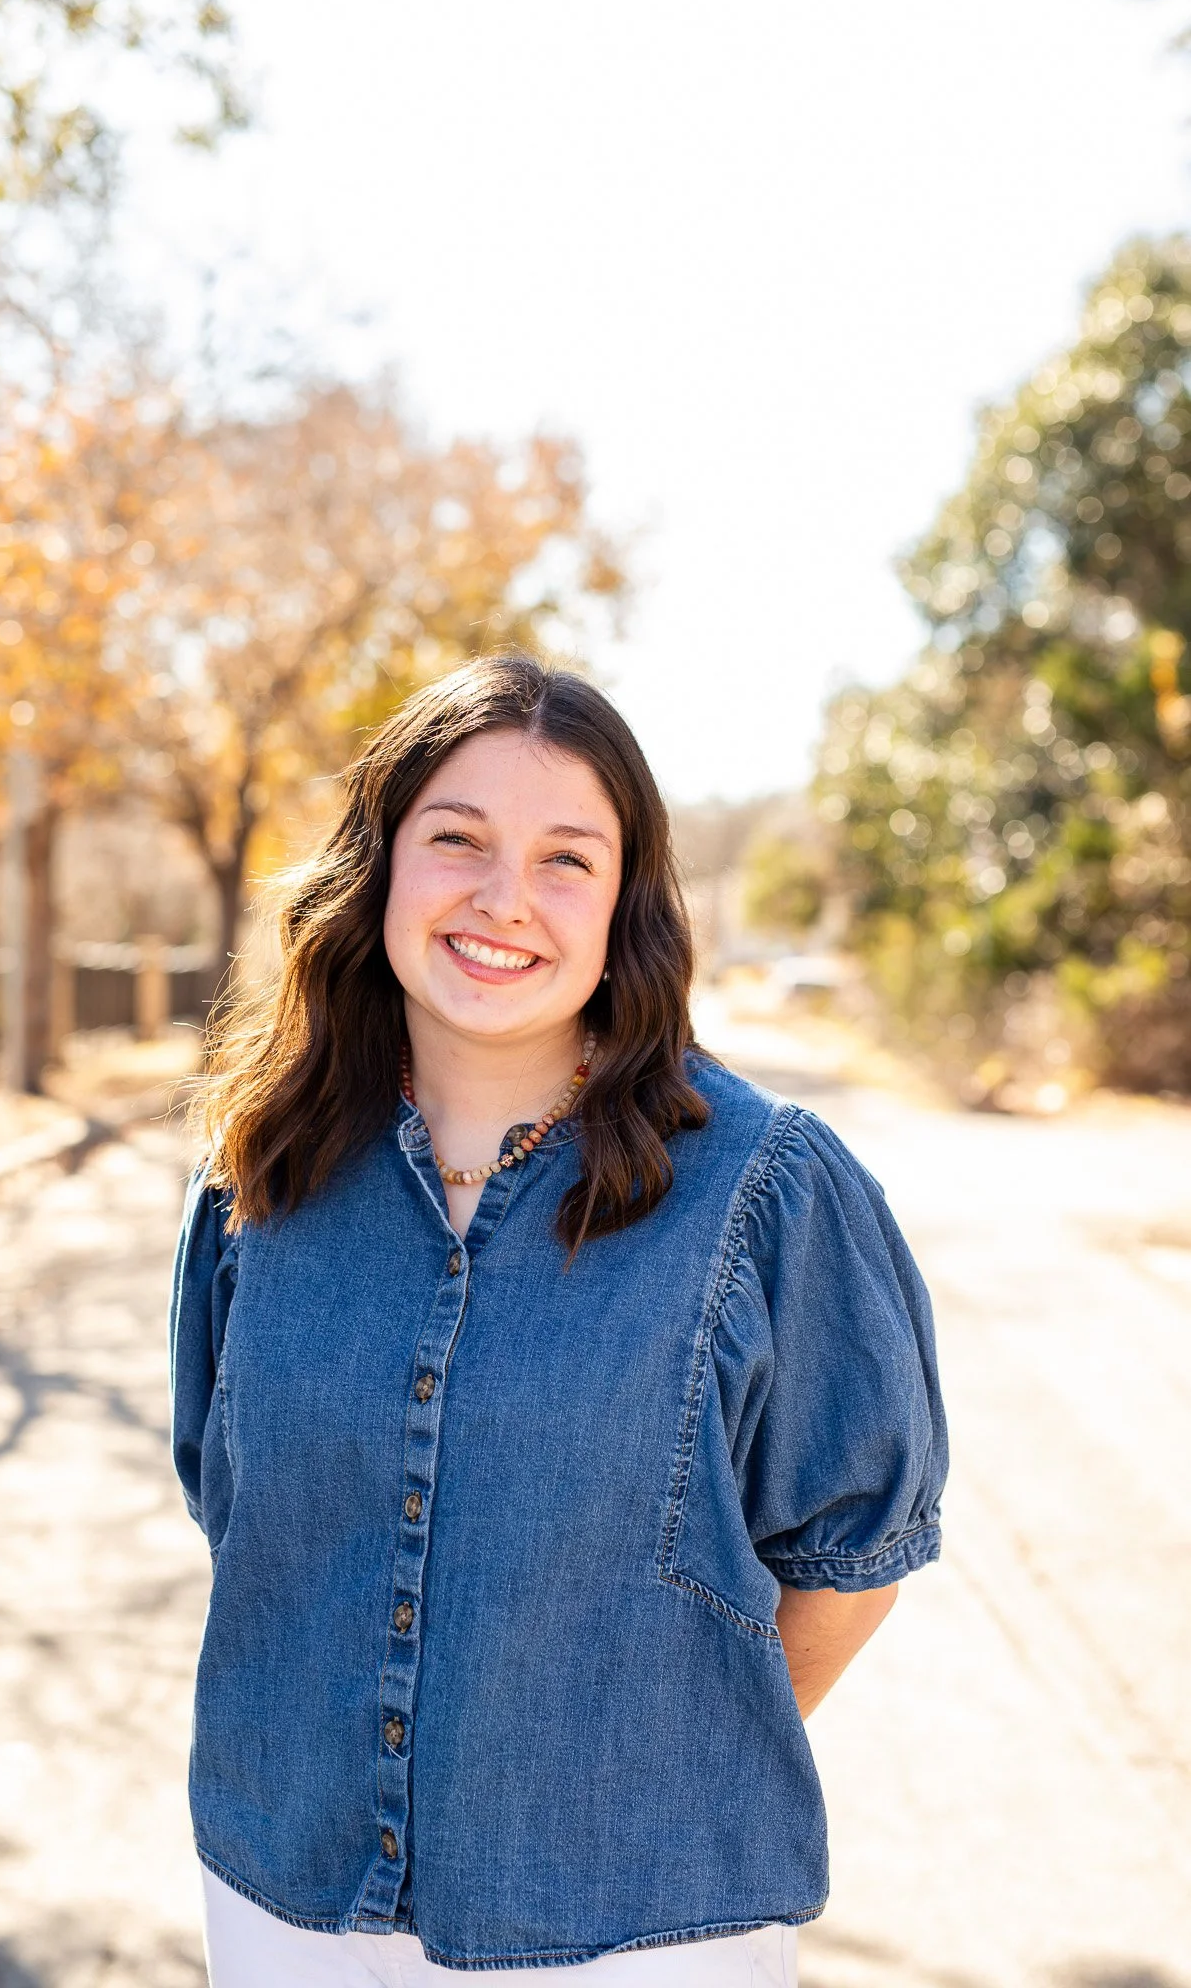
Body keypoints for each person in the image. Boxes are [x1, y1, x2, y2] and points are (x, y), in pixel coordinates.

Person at [169, 653, 948, 1986]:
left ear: (625, 901)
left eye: (565, 859)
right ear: (381, 866)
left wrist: (643, 1757)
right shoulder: (261, 1172)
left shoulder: (767, 1189)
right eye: (455, 839)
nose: (501, 899)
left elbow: (854, 1551)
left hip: (638, 1930)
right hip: (285, 1904)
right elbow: (240, 1504)